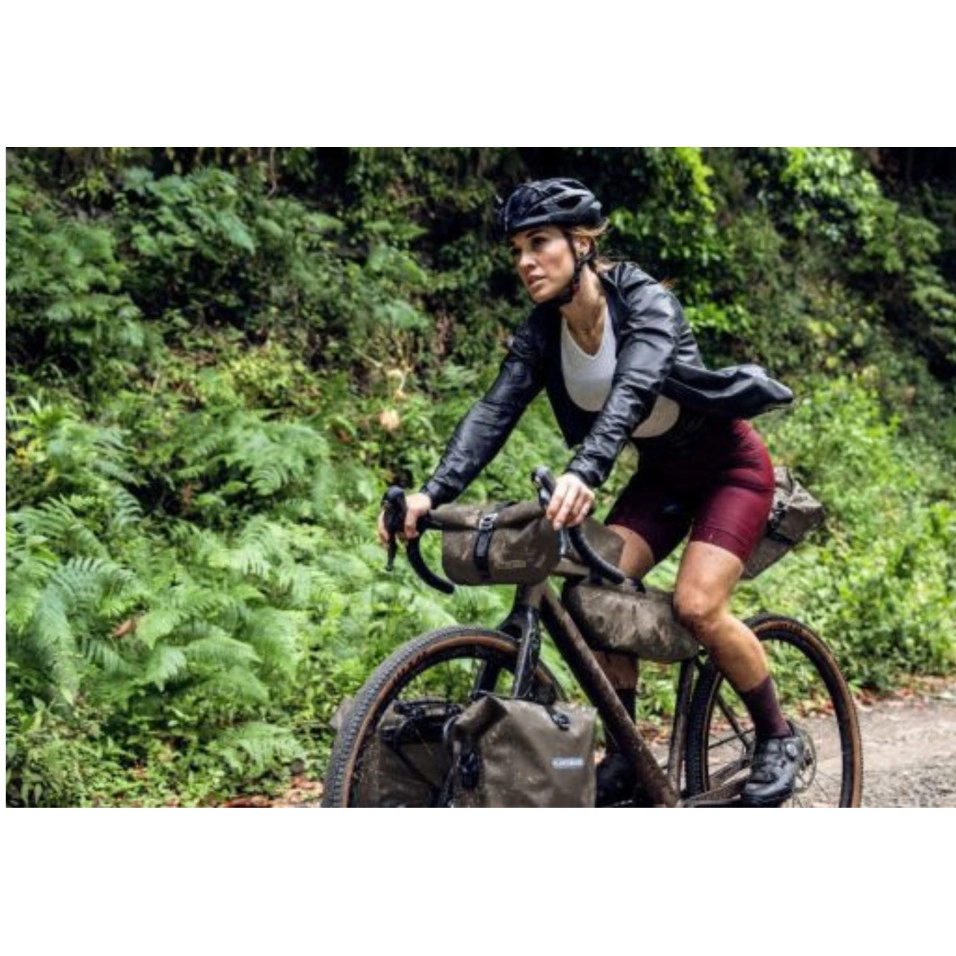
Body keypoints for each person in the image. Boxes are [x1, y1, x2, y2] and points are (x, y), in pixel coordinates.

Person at [377, 177, 805, 807]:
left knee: (697, 607)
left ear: (581, 243)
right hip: (661, 477)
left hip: (729, 470)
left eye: (540, 243)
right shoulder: (543, 330)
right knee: (593, 593)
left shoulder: (645, 303)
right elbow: (494, 411)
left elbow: (633, 388)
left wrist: (585, 472)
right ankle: (629, 756)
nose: (526, 261)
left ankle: (778, 735)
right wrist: (430, 494)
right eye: (517, 249)